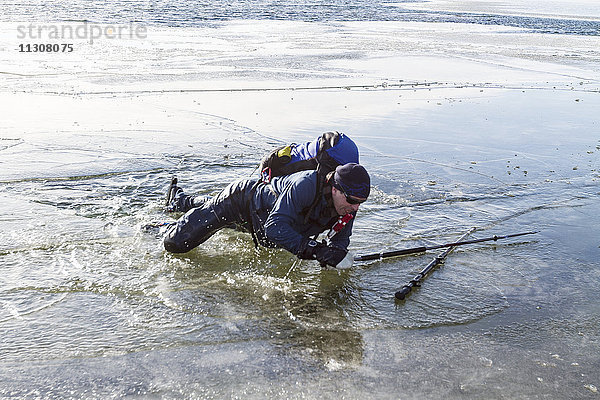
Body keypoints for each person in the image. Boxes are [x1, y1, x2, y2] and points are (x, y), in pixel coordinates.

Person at [163, 162, 370, 269]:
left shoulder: (347, 208)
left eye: (361, 203)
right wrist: (314, 250)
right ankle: (164, 219)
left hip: (259, 220)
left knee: (210, 211)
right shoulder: (307, 185)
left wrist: (335, 254)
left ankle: (185, 202)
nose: (356, 208)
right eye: (352, 200)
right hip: (241, 201)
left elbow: (339, 242)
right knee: (174, 244)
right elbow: (274, 228)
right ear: (335, 188)